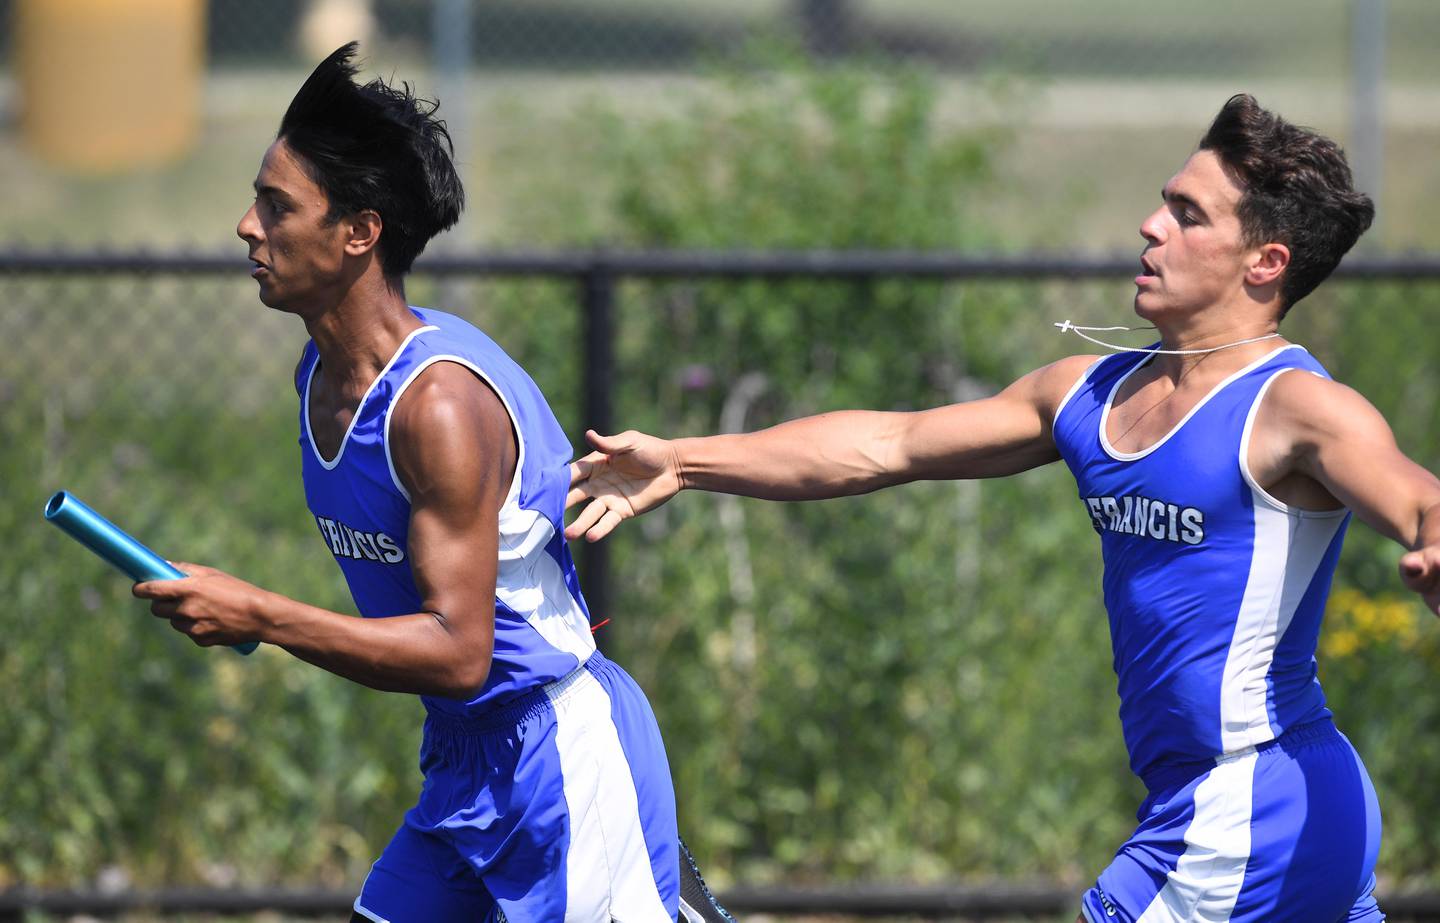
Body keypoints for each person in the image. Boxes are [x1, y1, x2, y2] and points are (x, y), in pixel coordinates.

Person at [565, 94, 1440, 923]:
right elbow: (889, 444)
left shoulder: (1294, 406)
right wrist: (682, 461)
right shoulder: (1090, 393)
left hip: (1256, 796)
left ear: (1266, 263)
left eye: (1188, 213)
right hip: (1246, 802)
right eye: (1162, 202)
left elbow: (1415, 497)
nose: (1151, 225)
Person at [133, 44, 689, 922]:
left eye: (277, 207)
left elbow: (461, 653)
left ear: (360, 232)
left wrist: (261, 614)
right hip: (464, 764)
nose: (247, 225)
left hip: (560, 762)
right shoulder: (318, 379)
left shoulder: (437, 409)